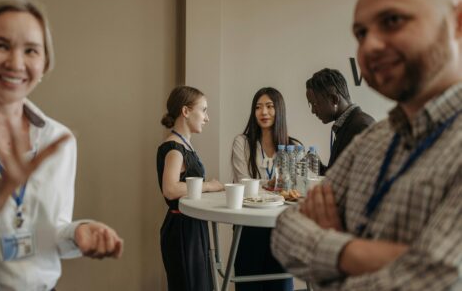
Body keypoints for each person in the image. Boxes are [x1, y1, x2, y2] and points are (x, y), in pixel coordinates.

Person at [271, 0, 462, 290]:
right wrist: (357, 252)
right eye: (361, 33)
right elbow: (285, 231)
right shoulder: (374, 140)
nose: (369, 45)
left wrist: (329, 250)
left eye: (392, 20)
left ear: (457, 22)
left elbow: (437, 278)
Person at [0, 0, 124, 290]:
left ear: (45, 62)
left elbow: (47, 233)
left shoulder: (58, 141)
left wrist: (77, 233)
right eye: (0, 45)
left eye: (31, 50)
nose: (15, 62)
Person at [231, 87, 302, 291]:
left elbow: (296, 189)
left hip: (281, 227)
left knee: (281, 285)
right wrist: (270, 185)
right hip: (249, 226)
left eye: (270, 107)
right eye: (258, 107)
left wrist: (264, 185)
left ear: (279, 110)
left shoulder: (294, 147)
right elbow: (242, 182)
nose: (264, 112)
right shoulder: (242, 143)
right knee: (248, 285)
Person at [157, 85, 224, 291]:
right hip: (182, 229)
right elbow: (170, 189)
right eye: (203, 110)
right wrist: (210, 186)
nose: (207, 117)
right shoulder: (174, 148)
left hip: (192, 226)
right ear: (186, 112)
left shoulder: (185, 146)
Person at [306, 68, 375, 174]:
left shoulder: (362, 127)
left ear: (334, 99)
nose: (313, 111)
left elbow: (361, 182)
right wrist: (319, 168)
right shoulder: (346, 124)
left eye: (315, 104)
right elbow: (340, 178)